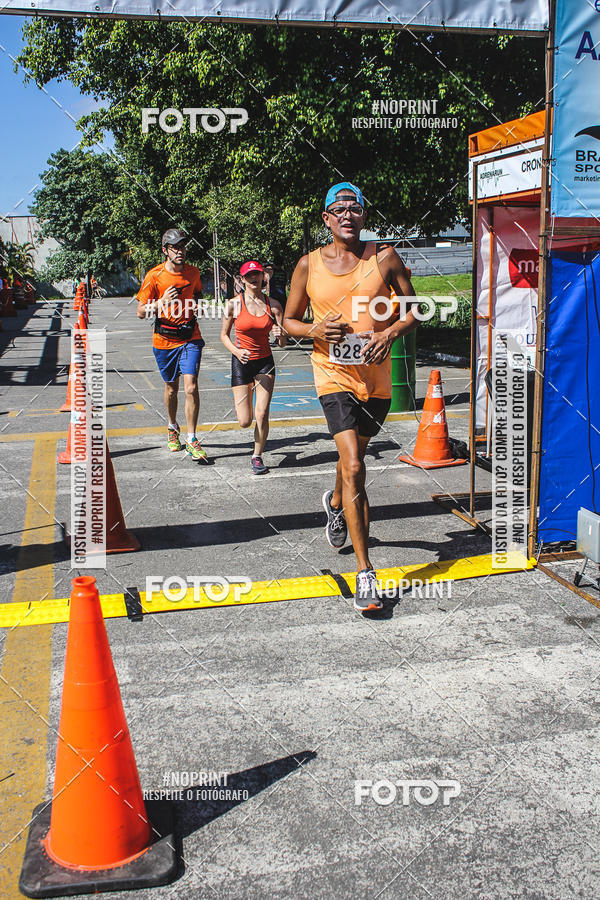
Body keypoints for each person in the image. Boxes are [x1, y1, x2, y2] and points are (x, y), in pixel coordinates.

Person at [284, 182, 419, 613]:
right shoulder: (308, 265)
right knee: (356, 465)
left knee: (349, 470)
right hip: (332, 374)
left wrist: (389, 333)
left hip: (375, 382)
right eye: (338, 209)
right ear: (326, 219)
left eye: (354, 208)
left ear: (364, 216)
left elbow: (417, 307)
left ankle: (336, 502)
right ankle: (365, 573)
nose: (347, 214)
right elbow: (288, 320)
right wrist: (314, 330)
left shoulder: (384, 258)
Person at [136, 228, 209, 462]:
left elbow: (196, 295)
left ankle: (192, 438)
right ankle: (171, 426)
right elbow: (140, 312)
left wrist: (197, 306)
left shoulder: (193, 273)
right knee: (171, 388)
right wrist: (161, 303)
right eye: (175, 247)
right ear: (165, 250)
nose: (180, 250)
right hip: (164, 340)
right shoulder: (154, 276)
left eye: (183, 246)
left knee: (191, 387)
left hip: (190, 336)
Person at [220, 260, 286, 474]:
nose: (254, 278)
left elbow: (283, 342)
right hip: (241, 362)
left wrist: (280, 335)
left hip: (265, 362)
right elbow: (223, 335)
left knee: (263, 413)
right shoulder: (233, 304)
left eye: (257, 274)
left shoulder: (274, 305)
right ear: (242, 280)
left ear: (263, 277)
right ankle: (248, 424)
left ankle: (257, 456)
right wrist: (237, 351)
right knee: (244, 421)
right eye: (249, 276)